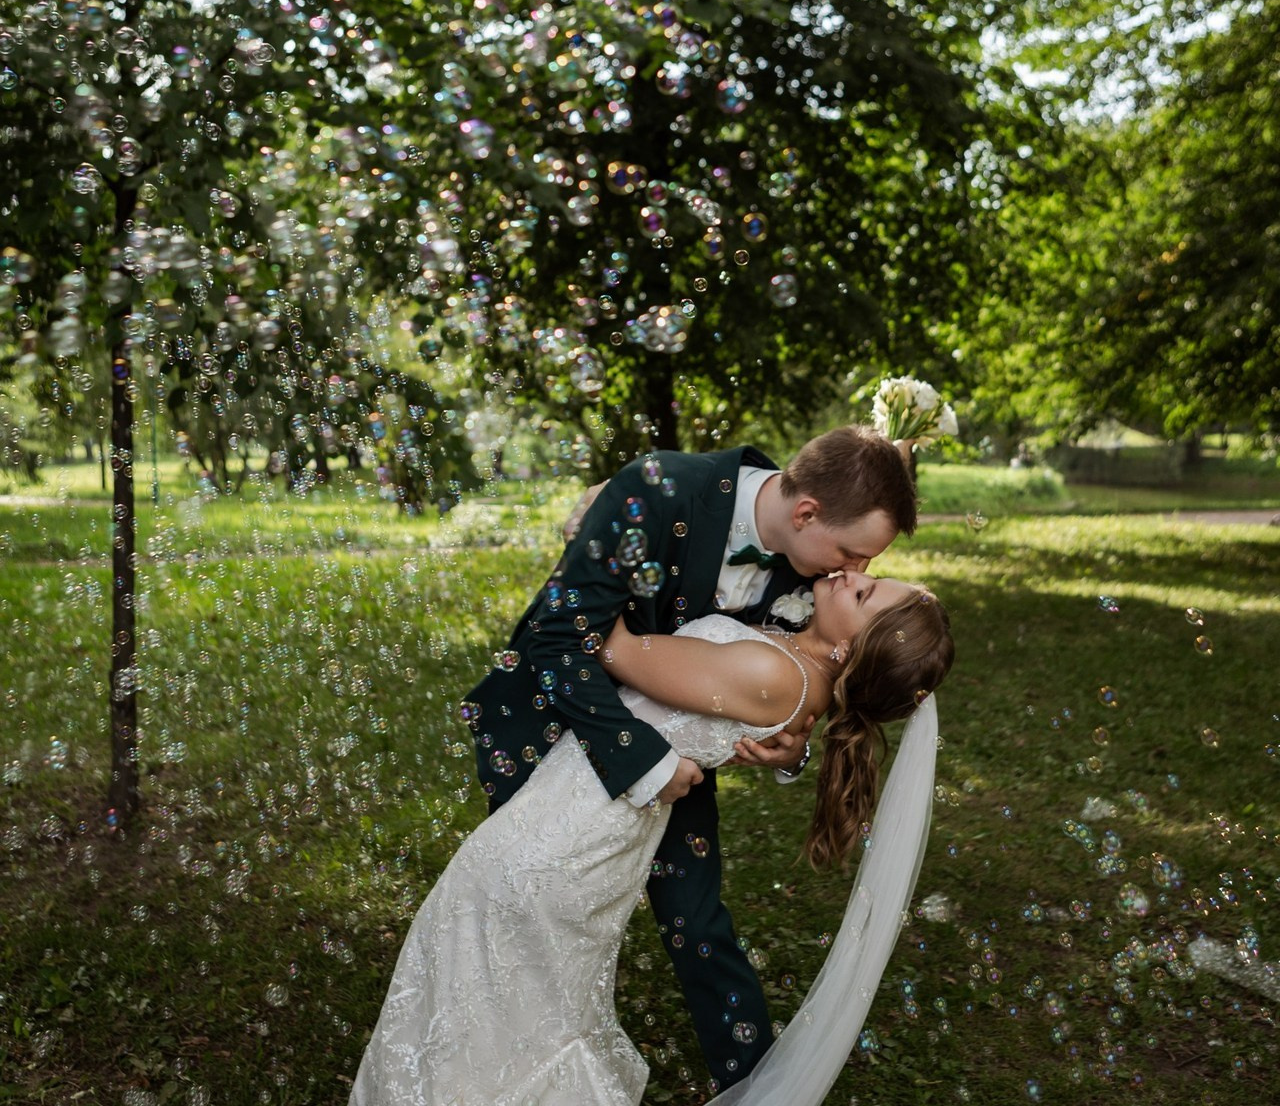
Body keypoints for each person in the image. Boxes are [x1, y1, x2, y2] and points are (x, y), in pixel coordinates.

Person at [349, 568, 953, 1105]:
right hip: (591, 820)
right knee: (516, 1001)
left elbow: (617, 651)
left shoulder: (776, 673)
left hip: (569, 834)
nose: (851, 574)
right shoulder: (794, 660)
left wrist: (591, 548)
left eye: (865, 591)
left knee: (484, 975)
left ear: (851, 647)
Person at [461, 425, 917, 1088]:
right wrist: (647, 766)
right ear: (806, 512)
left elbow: (807, 670)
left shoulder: (814, 571)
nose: (856, 572)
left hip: (677, 759)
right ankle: (508, 1073)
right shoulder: (662, 489)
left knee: (697, 918)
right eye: (852, 552)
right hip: (552, 731)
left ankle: (762, 1091)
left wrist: (793, 744)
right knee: (533, 911)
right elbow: (558, 639)